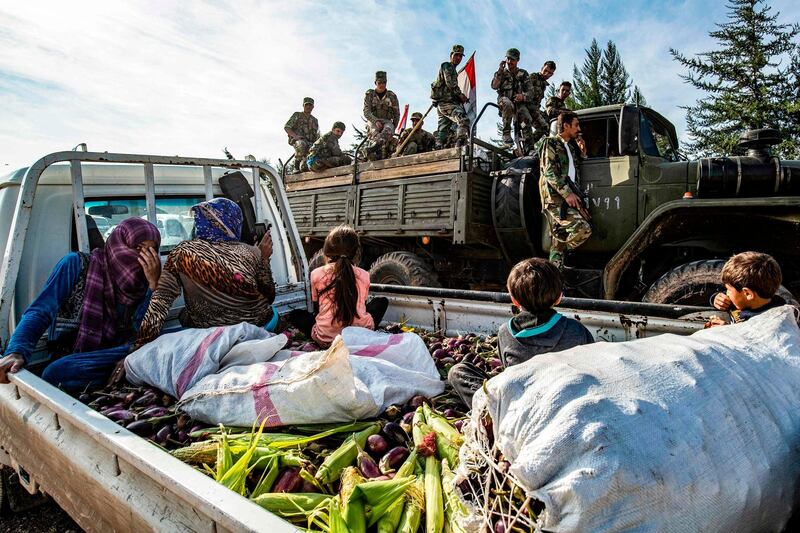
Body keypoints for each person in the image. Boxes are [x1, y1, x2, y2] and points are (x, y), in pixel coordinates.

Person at [0, 218, 161, 393]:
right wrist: (17, 351)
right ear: (118, 245)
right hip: (78, 358)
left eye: (151, 250)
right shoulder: (76, 265)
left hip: (118, 354)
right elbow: (40, 311)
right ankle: (129, 373)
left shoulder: (145, 278)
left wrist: (154, 286)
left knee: (173, 340)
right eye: (137, 248)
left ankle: (129, 370)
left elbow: (144, 333)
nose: (143, 258)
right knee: (57, 371)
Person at [448, 257, 594, 408]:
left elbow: (509, 374)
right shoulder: (576, 330)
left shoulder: (506, 332)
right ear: (559, 298)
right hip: (568, 402)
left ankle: (491, 414)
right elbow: (593, 368)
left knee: (457, 372)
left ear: (514, 300)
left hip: (520, 407)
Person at [133, 198, 279, 349]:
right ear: (235, 222)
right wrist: (264, 258)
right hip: (255, 326)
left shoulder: (182, 252)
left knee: (184, 315)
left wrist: (141, 345)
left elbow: (161, 301)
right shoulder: (252, 252)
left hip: (208, 332)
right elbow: (270, 295)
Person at [287, 225, 388, 348]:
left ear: (327, 250)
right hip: (360, 336)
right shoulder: (364, 275)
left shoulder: (316, 274)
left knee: (295, 315)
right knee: (382, 302)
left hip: (325, 339)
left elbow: (317, 307)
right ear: (356, 252)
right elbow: (362, 305)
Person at [539, 111, 592, 269]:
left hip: (569, 197)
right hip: (555, 198)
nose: (579, 128)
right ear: (566, 126)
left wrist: (583, 154)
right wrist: (567, 193)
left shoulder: (570, 148)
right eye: (576, 125)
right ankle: (563, 253)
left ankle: (554, 276)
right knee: (583, 229)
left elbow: (573, 174)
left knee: (558, 241)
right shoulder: (551, 143)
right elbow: (549, 172)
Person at [706, 252, 787, 327]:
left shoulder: (769, 322)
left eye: (729, 290)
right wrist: (717, 299)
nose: (727, 293)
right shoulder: (747, 300)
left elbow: (752, 340)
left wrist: (725, 329)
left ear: (747, 293)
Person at [491, 48, 533, 151]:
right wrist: (500, 70)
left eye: (512, 59)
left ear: (517, 60)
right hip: (504, 103)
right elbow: (494, 86)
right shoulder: (501, 73)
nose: (509, 62)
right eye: (508, 59)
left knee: (526, 120)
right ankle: (506, 135)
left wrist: (522, 96)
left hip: (519, 105)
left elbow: (531, 92)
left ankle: (529, 147)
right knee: (507, 103)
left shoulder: (523, 74)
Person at [431, 44, 471, 149]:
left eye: (460, 56)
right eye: (456, 55)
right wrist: (460, 95)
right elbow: (450, 84)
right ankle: (460, 144)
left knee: (443, 132)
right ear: (451, 55)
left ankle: (438, 147)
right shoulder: (447, 66)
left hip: (444, 104)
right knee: (463, 119)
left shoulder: (453, 70)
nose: (458, 58)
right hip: (446, 104)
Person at [363, 71, 400, 161]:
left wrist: (393, 127)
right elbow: (366, 111)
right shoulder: (370, 94)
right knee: (374, 133)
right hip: (373, 121)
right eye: (379, 83)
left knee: (387, 131)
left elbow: (396, 114)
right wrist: (375, 120)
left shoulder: (392, 96)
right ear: (375, 83)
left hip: (387, 121)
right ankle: (372, 151)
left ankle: (373, 148)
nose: (382, 85)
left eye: (384, 82)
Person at [284, 97, 320, 173]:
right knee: (301, 144)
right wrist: (295, 136)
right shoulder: (297, 115)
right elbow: (287, 127)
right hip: (298, 141)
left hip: (310, 143)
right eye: (306, 105)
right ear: (303, 105)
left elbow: (317, 136)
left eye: (310, 105)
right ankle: (296, 167)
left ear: (313, 107)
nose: (308, 107)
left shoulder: (314, 120)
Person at [527, 60, 556, 144]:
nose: (547, 74)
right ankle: (528, 144)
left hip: (534, 109)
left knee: (551, 123)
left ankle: (550, 146)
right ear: (542, 68)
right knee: (544, 126)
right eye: (545, 70)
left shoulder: (543, 84)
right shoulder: (533, 77)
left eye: (550, 73)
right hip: (527, 108)